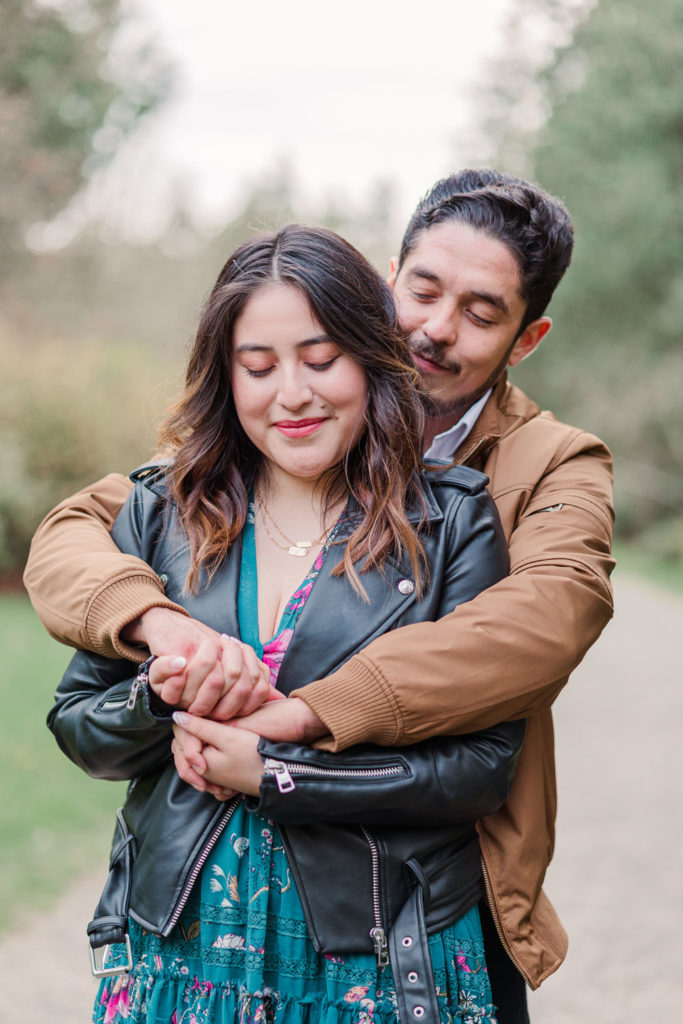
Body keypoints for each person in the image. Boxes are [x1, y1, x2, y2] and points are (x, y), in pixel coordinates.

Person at [26, 169, 615, 1021]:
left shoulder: (525, 475)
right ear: (385, 282)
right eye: (421, 290)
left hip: (425, 892)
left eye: (481, 313)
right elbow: (79, 532)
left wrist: (298, 724)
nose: (433, 329)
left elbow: (548, 616)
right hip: (198, 924)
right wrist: (165, 638)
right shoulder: (214, 477)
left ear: (527, 338)